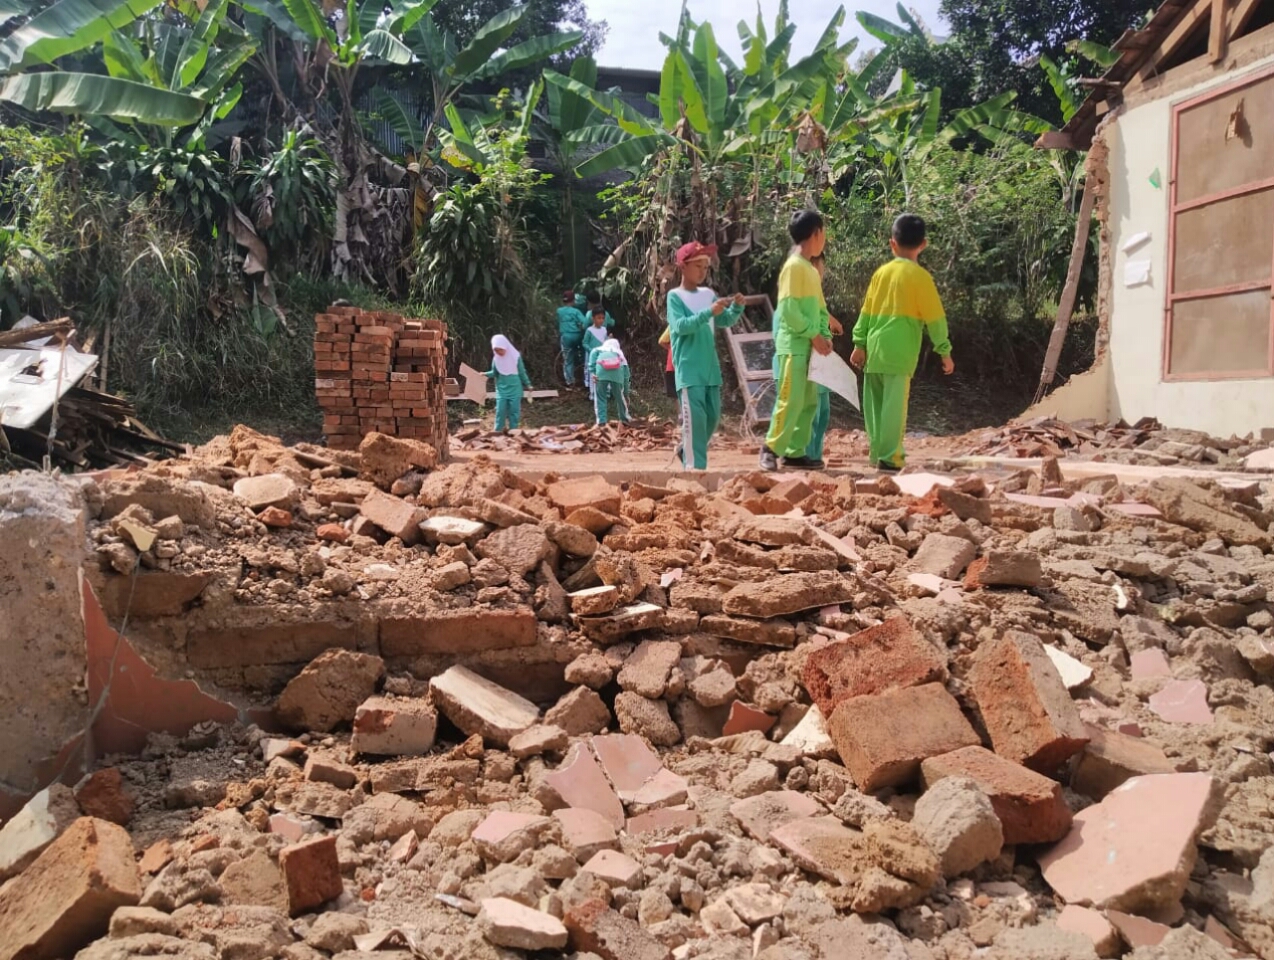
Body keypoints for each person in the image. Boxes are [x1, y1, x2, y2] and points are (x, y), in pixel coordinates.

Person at [850, 213, 954, 472]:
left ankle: (877, 454)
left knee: (874, 407)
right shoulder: (921, 278)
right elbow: (936, 319)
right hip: (900, 354)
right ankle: (890, 457)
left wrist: (858, 343)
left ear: (892, 244)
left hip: (874, 349)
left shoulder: (881, 274)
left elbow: (866, 311)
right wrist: (944, 351)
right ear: (924, 244)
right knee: (893, 409)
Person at [760, 210, 834, 471]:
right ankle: (771, 447)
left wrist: (824, 335)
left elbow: (821, 309)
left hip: (810, 348)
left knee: (809, 402)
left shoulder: (810, 270)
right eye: (823, 233)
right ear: (816, 234)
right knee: (790, 399)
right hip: (794, 347)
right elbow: (790, 310)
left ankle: (794, 451)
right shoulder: (793, 266)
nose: (824, 238)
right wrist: (814, 335)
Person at [667, 241, 745, 470]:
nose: (703, 271)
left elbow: (724, 320)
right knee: (696, 421)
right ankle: (694, 468)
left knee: (712, 418)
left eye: (706, 267)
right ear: (683, 266)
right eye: (698, 265)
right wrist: (708, 312)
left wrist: (736, 308)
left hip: (710, 370)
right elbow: (680, 326)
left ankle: (685, 451)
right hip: (689, 370)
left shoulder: (708, 294)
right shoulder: (675, 296)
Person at [804, 253, 843, 464]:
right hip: (810, 358)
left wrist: (829, 330)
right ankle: (808, 457)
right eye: (821, 266)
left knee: (824, 412)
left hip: (822, 359)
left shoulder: (816, 291)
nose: (823, 271)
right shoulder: (802, 289)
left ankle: (815, 456)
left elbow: (821, 314)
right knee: (813, 412)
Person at [486, 334, 533, 433]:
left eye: (501, 349)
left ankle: (513, 431)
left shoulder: (515, 357)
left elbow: (522, 372)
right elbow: (494, 373)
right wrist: (483, 374)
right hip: (502, 390)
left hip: (515, 389)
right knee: (500, 411)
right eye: (496, 350)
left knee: (514, 411)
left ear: (506, 346)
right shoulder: (496, 360)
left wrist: (528, 384)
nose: (499, 352)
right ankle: (498, 431)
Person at [588, 336, 631, 425]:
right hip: (617, 373)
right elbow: (626, 375)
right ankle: (625, 419)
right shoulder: (619, 353)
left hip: (601, 373)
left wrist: (593, 373)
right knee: (620, 397)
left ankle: (602, 422)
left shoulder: (597, 350)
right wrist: (626, 394)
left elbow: (591, 362)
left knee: (600, 397)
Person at [556, 290, 587, 388]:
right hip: (577, 336)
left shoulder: (559, 311)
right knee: (582, 354)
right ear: (573, 301)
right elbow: (585, 322)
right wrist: (581, 327)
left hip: (566, 337)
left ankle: (570, 381)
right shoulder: (576, 311)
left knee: (568, 359)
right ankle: (583, 377)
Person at [582, 305, 610, 399]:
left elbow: (605, 341)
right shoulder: (589, 330)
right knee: (593, 374)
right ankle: (593, 393)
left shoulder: (604, 330)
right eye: (598, 318)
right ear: (593, 318)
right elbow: (584, 343)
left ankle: (604, 392)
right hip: (592, 357)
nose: (601, 320)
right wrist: (591, 350)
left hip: (601, 356)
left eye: (603, 318)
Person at [658, 325, 676, 397]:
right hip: (683, 366)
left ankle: (680, 408)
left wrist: (671, 348)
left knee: (675, 395)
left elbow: (661, 341)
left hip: (672, 365)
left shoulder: (672, 324)